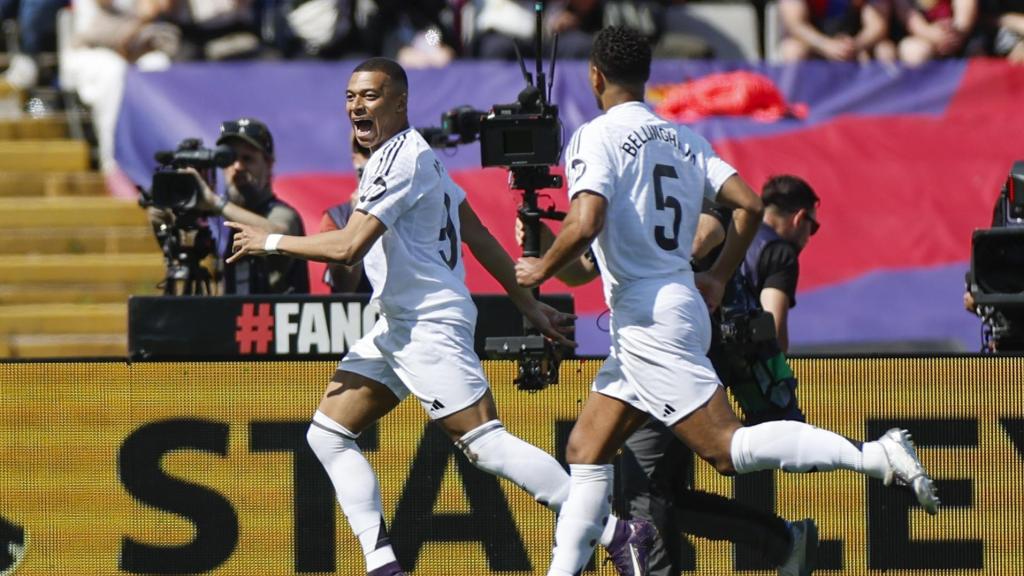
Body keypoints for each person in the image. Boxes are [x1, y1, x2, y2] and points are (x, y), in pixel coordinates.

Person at [513, 26, 940, 576]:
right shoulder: (682, 137)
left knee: (725, 448)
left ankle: (873, 456)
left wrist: (541, 265)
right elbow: (749, 204)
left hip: (650, 319)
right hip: (668, 308)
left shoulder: (595, 137)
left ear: (595, 76)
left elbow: (587, 219)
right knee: (586, 451)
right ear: (645, 77)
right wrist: (716, 276)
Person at [226, 57, 655, 576]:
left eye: (371, 95)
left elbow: (347, 248)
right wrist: (527, 302)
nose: (357, 105)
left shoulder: (399, 159)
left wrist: (269, 241)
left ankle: (616, 530)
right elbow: (475, 233)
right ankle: (382, 565)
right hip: (397, 326)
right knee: (327, 433)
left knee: (487, 446)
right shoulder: (415, 157)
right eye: (350, 96)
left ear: (401, 101)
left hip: (428, 326)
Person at [148, 117, 310, 294]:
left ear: (269, 165)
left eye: (248, 159)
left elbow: (278, 235)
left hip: (275, 319)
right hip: (236, 318)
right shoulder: (221, 213)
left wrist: (216, 203)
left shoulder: (281, 213)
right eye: (229, 159)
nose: (238, 167)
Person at [320, 134, 372, 293]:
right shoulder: (336, 219)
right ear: (355, 158)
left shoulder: (414, 212)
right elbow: (345, 288)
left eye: (380, 149)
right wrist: (361, 217)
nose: (373, 157)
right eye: (365, 150)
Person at [777, 0, 895, 61]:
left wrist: (856, 45)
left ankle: (886, 104)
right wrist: (826, 45)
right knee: (793, 50)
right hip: (815, 43)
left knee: (885, 50)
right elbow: (796, 25)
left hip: (855, 43)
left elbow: (877, 26)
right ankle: (791, 103)